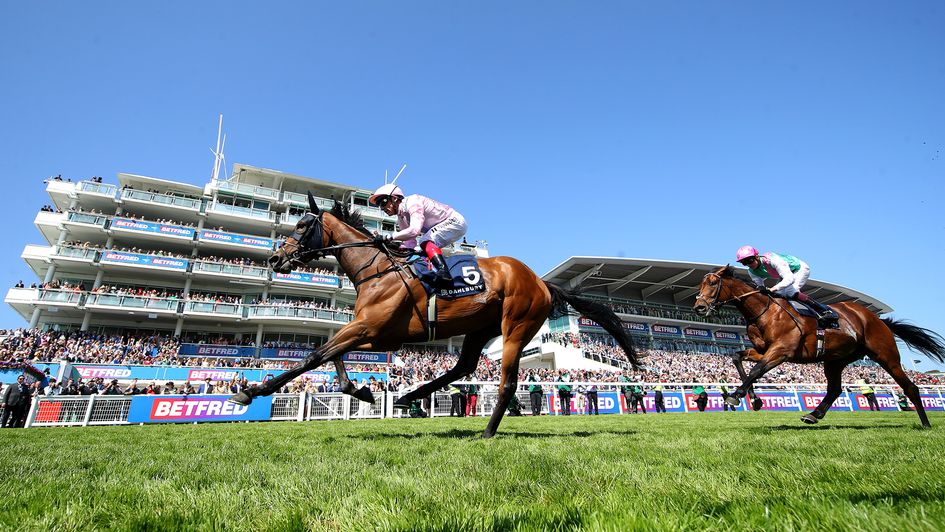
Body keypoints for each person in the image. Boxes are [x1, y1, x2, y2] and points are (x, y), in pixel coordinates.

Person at [369, 182, 468, 287]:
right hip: (443, 226)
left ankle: (444, 272)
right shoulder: (401, 218)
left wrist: (388, 237)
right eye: (379, 205)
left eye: (383, 202)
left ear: (394, 198)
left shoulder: (413, 202)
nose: (382, 208)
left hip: (454, 221)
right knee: (419, 250)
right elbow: (409, 243)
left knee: (425, 241)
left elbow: (414, 231)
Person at [735, 245, 837, 326]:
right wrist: (761, 289)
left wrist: (773, 288)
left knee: (790, 292)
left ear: (757, 256)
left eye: (750, 260)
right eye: (744, 262)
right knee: (778, 296)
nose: (749, 264)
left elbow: (789, 279)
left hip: (799, 269)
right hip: (783, 275)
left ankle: (825, 310)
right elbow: (760, 286)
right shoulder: (752, 272)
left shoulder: (773, 260)